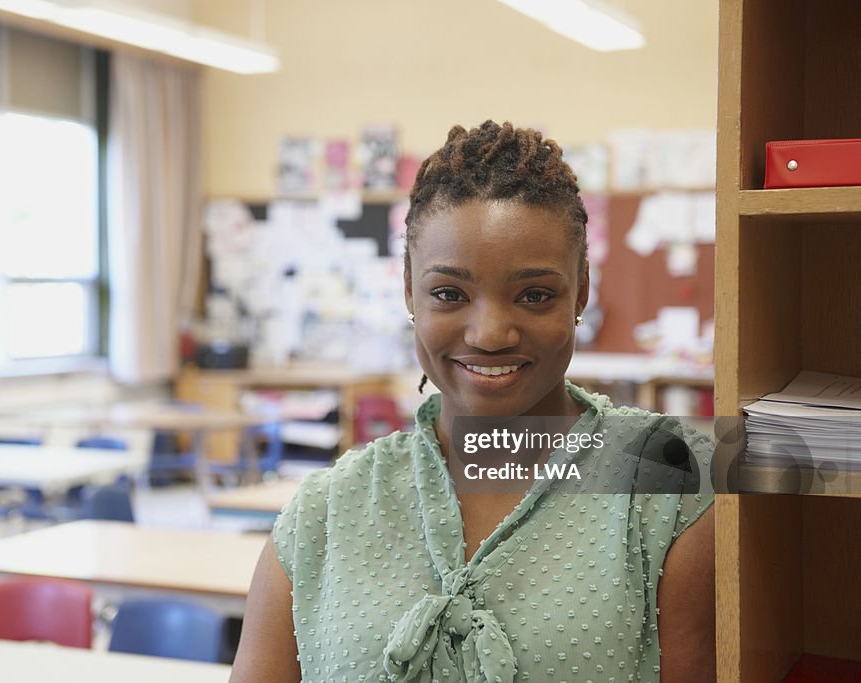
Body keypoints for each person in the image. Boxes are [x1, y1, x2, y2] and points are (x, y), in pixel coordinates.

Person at [230, 121, 715, 682]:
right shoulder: (323, 514)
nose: (489, 333)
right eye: (449, 294)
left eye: (534, 295)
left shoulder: (667, 485)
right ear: (408, 289)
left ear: (581, 289)